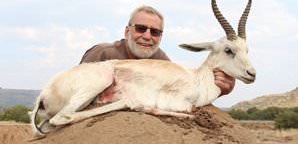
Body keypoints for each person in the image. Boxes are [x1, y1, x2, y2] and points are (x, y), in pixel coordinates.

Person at [80, 5, 235, 96]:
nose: (147, 36)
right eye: (141, 29)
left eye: (155, 32)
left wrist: (220, 89)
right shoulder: (102, 53)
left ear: (160, 37)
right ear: (127, 32)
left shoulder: (161, 61)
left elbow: (181, 94)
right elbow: (73, 89)